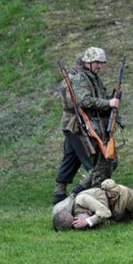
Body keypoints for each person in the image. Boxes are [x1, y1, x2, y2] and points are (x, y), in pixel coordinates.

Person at [72, 46, 120, 193]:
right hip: (92, 127)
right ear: (89, 62)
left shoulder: (94, 78)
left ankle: (85, 191)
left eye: (101, 63)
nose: (100, 66)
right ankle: (93, 195)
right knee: (102, 164)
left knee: (110, 161)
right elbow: (84, 101)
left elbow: (99, 98)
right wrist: (108, 103)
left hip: (101, 125)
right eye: (97, 62)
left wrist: (111, 100)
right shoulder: (81, 78)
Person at [52, 53, 94, 205]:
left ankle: (59, 193)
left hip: (76, 124)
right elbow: (73, 103)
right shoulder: (70, 81)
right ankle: (77, 192)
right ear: (78, 66)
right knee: (91, 162)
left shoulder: (80, 80)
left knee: (71, 157)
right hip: (74, 125)